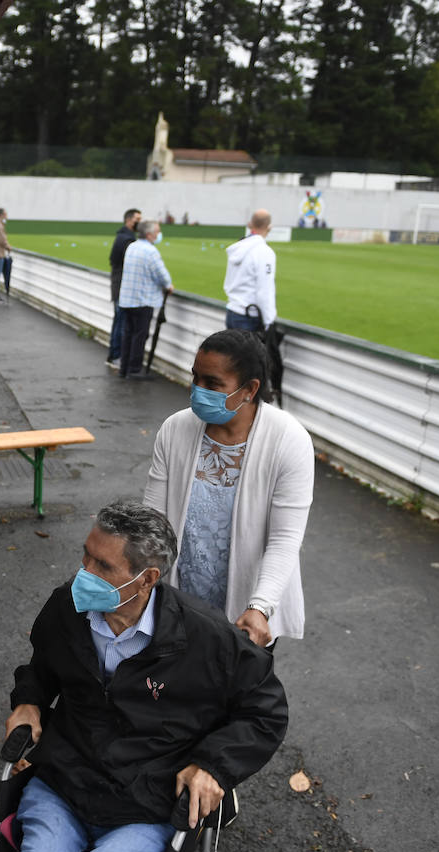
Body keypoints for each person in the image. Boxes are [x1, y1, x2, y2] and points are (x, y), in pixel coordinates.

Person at [0, 501, 287, 852]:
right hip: (64, 785)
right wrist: (28, 701)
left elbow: (266, 709)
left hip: (147, 804)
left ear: (147, 578)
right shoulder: (67, 606)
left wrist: (212, 765)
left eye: (103, 565)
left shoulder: (205, 637)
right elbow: (42, 666)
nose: (85, 573)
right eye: (86, 555)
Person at [143, 329, 314, 649]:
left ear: (249, 389)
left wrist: (259, 607)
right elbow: (153, 520)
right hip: (178, 603)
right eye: (196, 378)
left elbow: (285, 538)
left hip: (248, 614)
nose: (197, 390)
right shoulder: (175, 429)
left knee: (236, 695)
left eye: (212, 383)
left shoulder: (289, 441)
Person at [117, 219, 173, 380]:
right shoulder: (151, 251)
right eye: (157, 231)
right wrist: (168, 285)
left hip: (127, 298)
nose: (159, 234)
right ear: (149, 234)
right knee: (139, 336)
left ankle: (124, 368)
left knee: (128, 334)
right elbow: (161, 275)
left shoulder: (132, 246)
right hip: (142, 299)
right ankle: (134, 370)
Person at [223, 210, 277, 332]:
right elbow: (264, 290)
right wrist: (269, 322)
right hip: (248, 317)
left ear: (250, 224)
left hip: (232, 311)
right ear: (269, 227)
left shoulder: (239, 247)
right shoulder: (264, 252)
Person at [106, 208, 141, 369]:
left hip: (118, 284)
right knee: (121, 322)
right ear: (129, 220)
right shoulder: (126, 239)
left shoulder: (123, 236)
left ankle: (114, 355)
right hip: (122, 286)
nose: (140, 223)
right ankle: (116, 356)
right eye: (137, 219)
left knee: (119, 321)